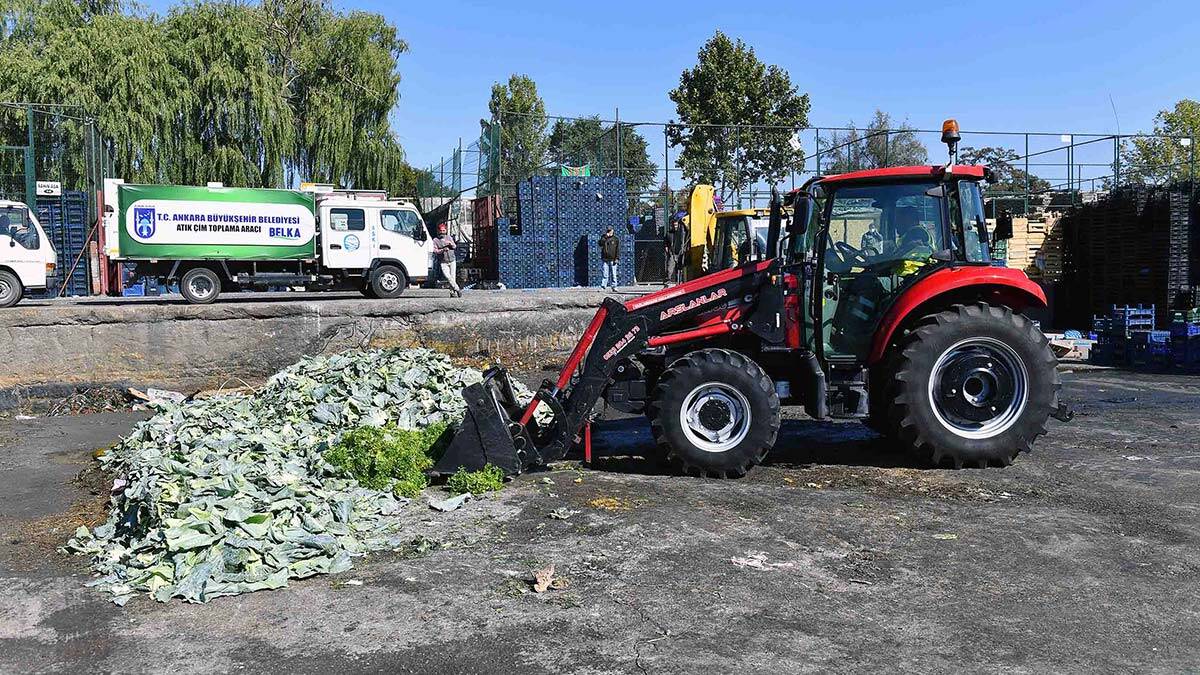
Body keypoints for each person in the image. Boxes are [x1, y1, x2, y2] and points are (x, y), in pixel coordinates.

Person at [432, 223, 461, 297]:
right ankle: (457, 289)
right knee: (448, 277)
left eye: (443, 230)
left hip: (452, 260)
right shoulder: (435, 240)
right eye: (441, 230)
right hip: (443, 261)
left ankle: (452, 293)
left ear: (446, 230)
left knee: (453, 277)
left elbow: (454, 246)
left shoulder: (449, 237)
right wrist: (442, 250)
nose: (442, 232)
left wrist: (451, 244)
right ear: (438, 231)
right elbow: (435, 251)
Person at [599, 225, 620, 290]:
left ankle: (614, 286)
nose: (609, 232)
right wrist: (605, 237)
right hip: (605, 259)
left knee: (614, 274)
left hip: (613, 259)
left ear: (612, 230)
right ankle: (603, 286)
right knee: (605, 274)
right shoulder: (604, 237)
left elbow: (618, 249)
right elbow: (600, 243)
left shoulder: (616, 239)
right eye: (608, 231)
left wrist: (617, 258)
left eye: (610, 230)